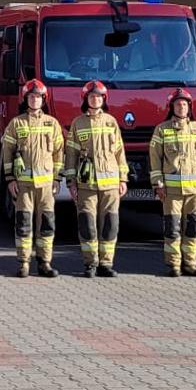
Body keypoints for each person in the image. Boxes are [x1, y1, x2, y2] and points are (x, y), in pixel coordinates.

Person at [64, 80, 129, 278]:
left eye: (99, 97)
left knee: (110, 224)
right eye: (92, 96)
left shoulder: (111, 122)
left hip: (110, 184)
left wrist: (123, 179)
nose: (96, 100)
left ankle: (106, 264)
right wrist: (71, 182)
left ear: (104, 99)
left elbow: (119, 153)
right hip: (86, 184)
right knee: (87, 223)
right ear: (86, 99)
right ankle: (90, 263)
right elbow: (71, 155)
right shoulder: (78, 123)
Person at [1, 79, 64, 278]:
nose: (35, 100)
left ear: (43, 100)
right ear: (25, 98)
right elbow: (7, 153)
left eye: (38, 97)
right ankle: (23, 263)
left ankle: (45, 262)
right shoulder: (16, 123)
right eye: (31, 97)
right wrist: (10, 179)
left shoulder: (52, 124)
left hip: (46, 185)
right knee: (24, 224)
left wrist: (56, 179)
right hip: (23, 185)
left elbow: (59, 154)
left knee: (46, 224)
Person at [149, 88, 196, 277]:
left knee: (193, 227)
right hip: (171, 192)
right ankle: (174, 265)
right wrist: (158, 184)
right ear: (172, 107)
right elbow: (155, 159)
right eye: (178, 104)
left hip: (195, 190)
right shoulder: (162, 130)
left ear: (189, 107)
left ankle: (190, 264)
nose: (182, 107)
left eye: (185, 104)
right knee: (173, 229)